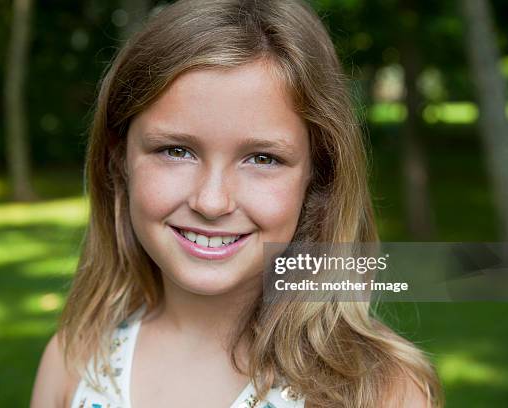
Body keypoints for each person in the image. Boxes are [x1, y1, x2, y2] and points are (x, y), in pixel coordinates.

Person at [30, 0, 442, 406]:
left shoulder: (377, 391)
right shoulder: (76, 362)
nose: (211, 201)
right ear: (119, 160)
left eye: (263, 159)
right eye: (176, 151)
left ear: (318, 178)